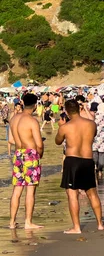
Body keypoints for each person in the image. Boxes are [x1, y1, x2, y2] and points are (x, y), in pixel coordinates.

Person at [55, 100, 104, 234]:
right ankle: (100, 223)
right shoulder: (91, 124)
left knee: (72, 193)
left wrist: (61, 126)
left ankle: (76, 227)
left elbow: (58, 141)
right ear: (78, 108)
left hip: (72, 160)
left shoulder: (66, 126)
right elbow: (92, 136)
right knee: (92, 193)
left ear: (66, 111)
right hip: (88, 159)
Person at [8, 93, 43, 230]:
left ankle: (12, 222)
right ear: (35, 106)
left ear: (22, 102)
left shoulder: (14, 119)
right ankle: (28, 222)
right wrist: (40, 154)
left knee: (17, 189)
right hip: (30, 154)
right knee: (30, 190)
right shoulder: (32, 121)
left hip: (18, 154)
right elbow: (39, 144)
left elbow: (11, 140)